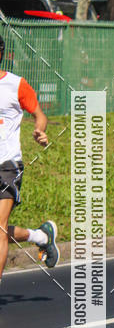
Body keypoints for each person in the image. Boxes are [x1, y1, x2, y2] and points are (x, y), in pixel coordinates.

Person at [0, 35, 59, 288]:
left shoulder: (16, 85)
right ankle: (41, 236)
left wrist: (40, 131)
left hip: (7, 165)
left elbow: (39, 115)